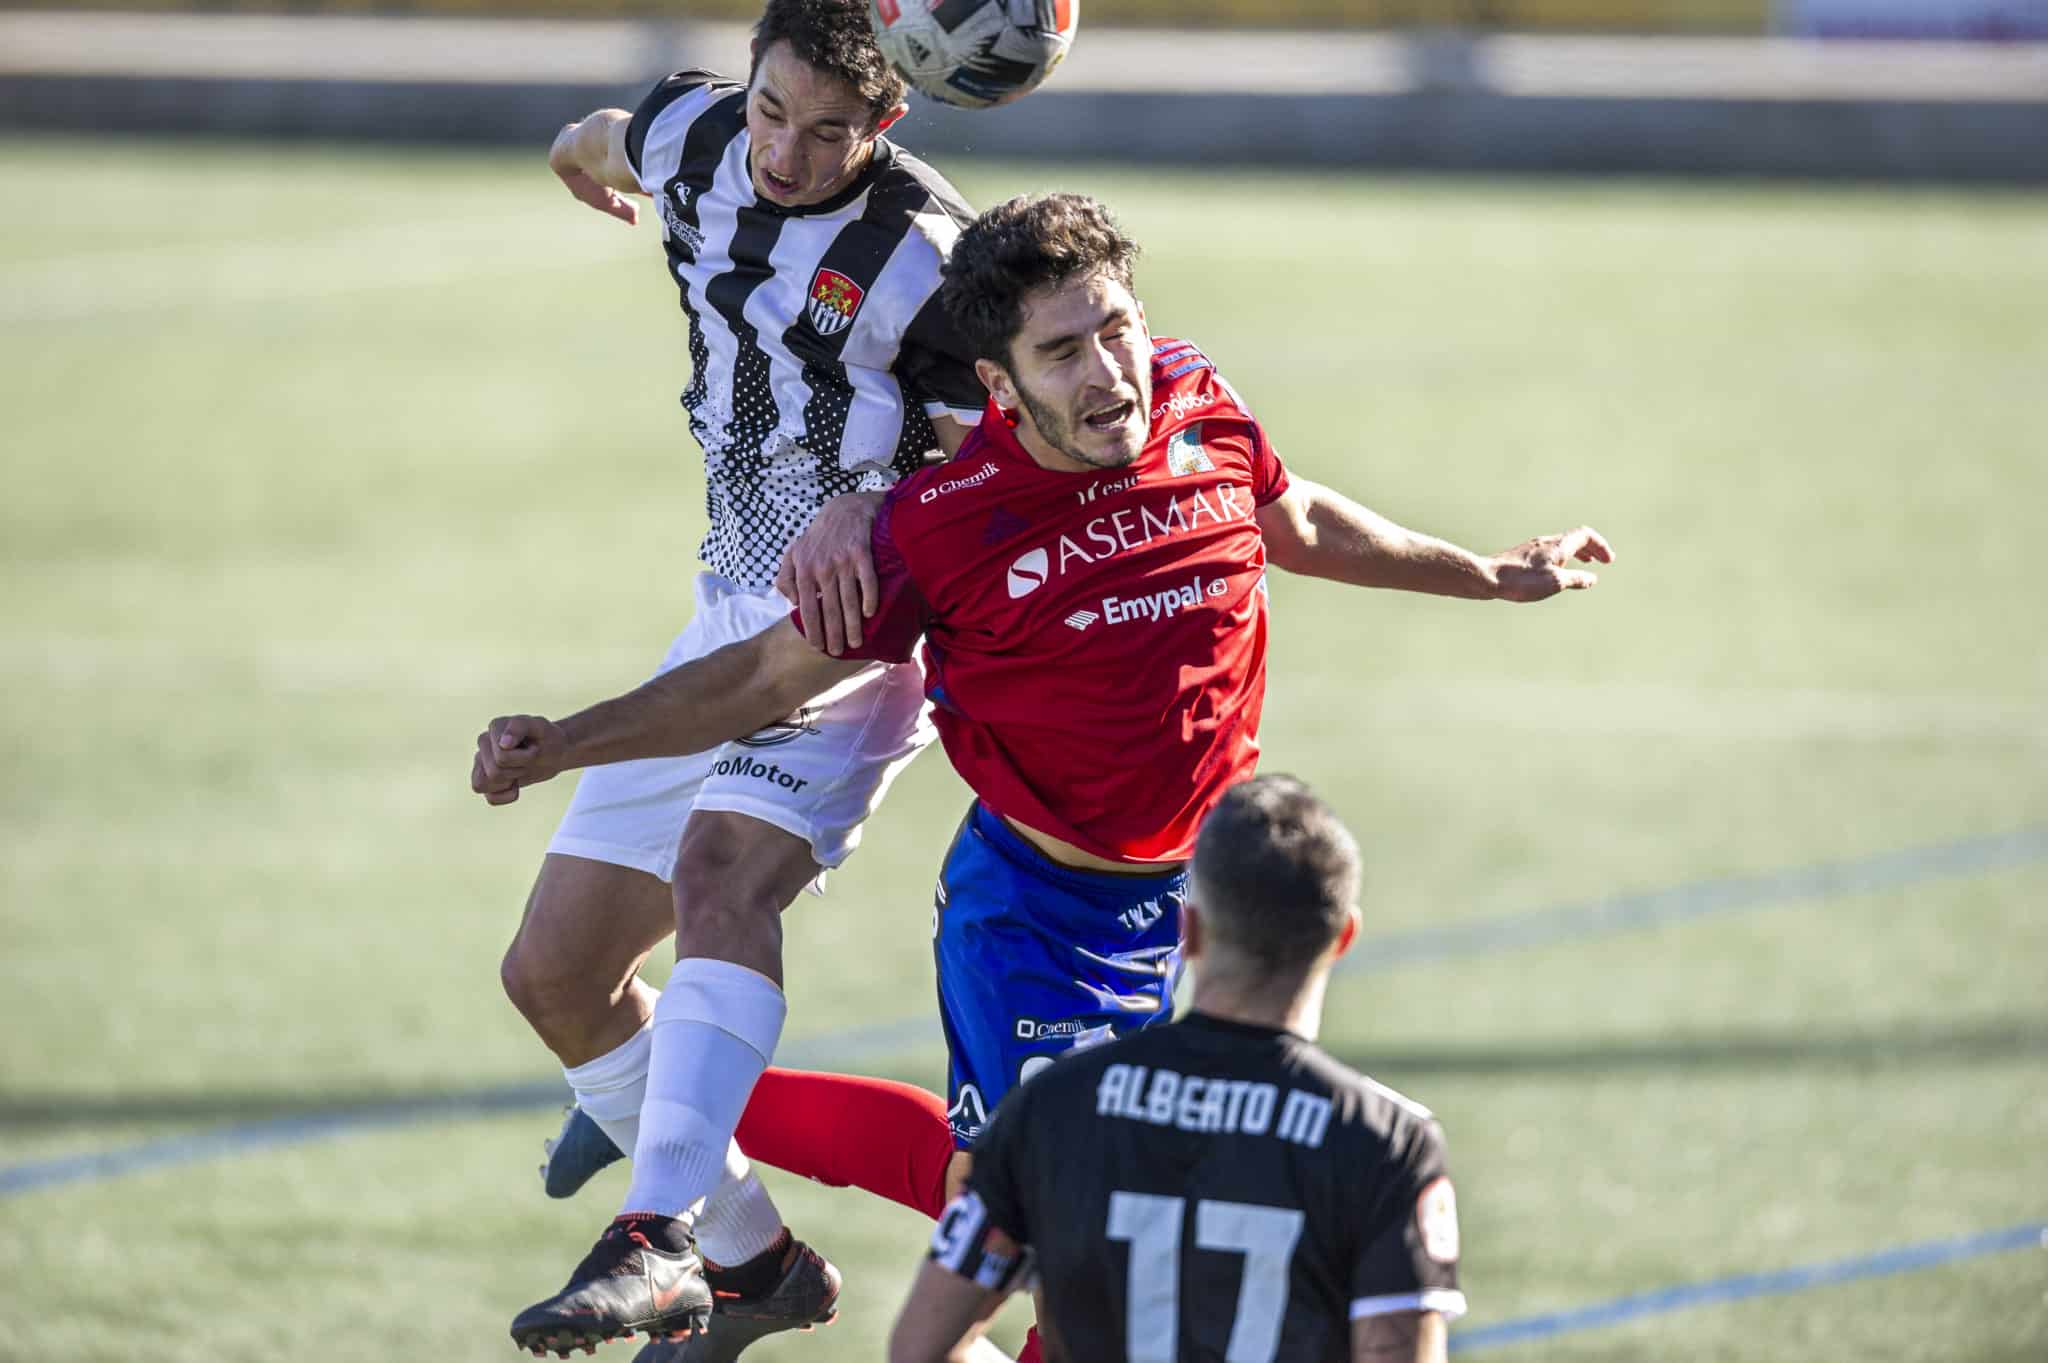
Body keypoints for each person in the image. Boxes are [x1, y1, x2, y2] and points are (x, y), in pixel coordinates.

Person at [476, 191, 1608, 1355]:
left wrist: (1482, 572)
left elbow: (1293, 517)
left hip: (1200, 903)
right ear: (999, 383)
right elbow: (759, 679)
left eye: (1114, 327)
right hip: (1042, 922)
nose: (1109, 371)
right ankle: (682, 1128)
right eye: (1061, 352)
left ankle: (671, 1108)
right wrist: (570, 739)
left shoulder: (1197, 397)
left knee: (1048, 1219)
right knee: (1073, 1258)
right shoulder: (938, 524)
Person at [496, 1, 988, 1358]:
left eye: (831, 131)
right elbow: (601, 137)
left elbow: (989, 472)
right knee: (555, 972)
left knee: (721, 872)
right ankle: (753, 1255)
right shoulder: (694, 130)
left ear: (887, 124)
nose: (785, 153)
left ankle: (654, 1231)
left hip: (855, 627)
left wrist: (880, 505)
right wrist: (572, 159)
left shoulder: (931, 257)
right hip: (721, 611)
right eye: (773, 111)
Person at [890, 775, 1466, 1363]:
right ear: (1343, 938)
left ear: (1186, 930)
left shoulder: (1052, 1108)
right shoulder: (1386, 1141)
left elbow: (921, 1348)